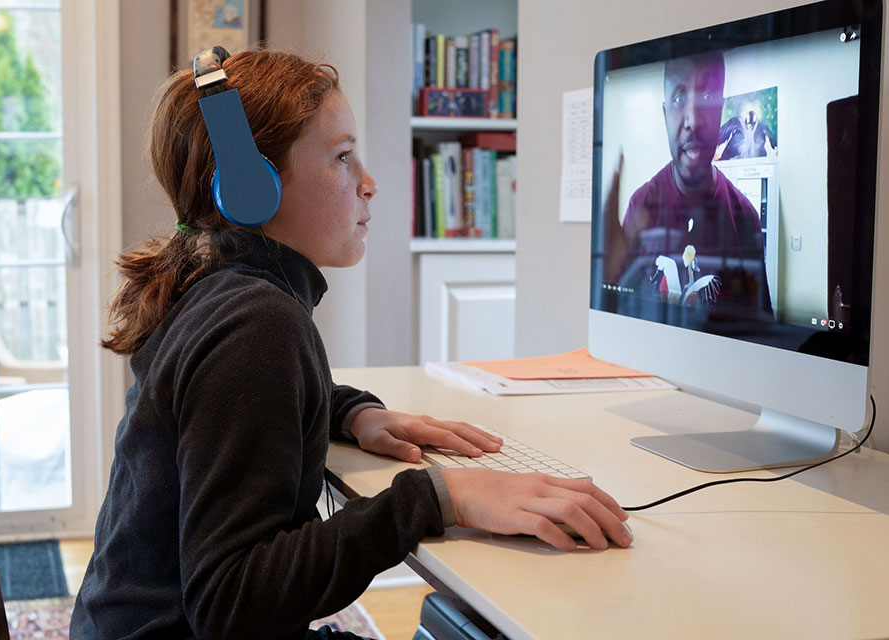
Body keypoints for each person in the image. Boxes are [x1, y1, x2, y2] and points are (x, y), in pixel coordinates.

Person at [69, 50, 631, 639]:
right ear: (250, 187)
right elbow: (230, 603)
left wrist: (351, 412)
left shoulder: (214, 289)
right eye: (342, 157)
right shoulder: (255, 323)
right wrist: (439, 497)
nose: (369, 182)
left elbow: (225, 403)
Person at [604, 52, 771, 314]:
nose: (692, 121)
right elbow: (621, 314)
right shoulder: (642, 206)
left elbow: (760, 336)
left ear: (721, 109)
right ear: (665, 113)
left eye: (706, 97)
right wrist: (607, 279)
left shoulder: (745, 217)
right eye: (679, 98)